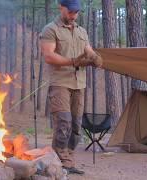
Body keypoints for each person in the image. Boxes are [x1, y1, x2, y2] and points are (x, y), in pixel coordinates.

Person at [40, 0, 102, 175]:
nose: (73, 15)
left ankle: (68, 159)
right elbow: (49, 56)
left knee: (76, 125)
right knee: (64, 122)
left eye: (76, 12)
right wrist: (74, 61)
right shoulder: (50, 29)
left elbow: (89, 51)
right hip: (60, 83)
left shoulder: (82, 31)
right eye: (70, 12)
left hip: (79, 84)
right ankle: (59, 162)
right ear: (61, 8)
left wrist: (95, 58)